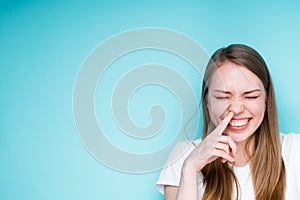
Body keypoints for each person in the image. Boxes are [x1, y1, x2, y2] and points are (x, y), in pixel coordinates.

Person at [156, 44, 300, 200]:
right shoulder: (184, 155)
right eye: (223, 97)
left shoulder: (294, 150)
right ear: (207, 102)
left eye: (251, 96)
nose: (237, 109)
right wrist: (190, 169)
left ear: (266, 100)